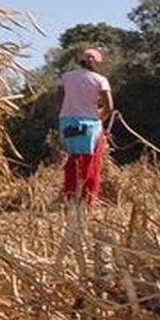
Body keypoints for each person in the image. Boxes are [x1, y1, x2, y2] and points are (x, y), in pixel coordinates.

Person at [57, 48, 113, 204]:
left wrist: (67, 113)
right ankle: (89, 199)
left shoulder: (66, 77)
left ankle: (70, 196)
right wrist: (100, 117)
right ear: (94, 62)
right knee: (91, 161)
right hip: (91, 124)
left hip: (67, 121)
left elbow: (59, 100)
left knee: (72, 160)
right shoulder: (100, 80)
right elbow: (109, 106)